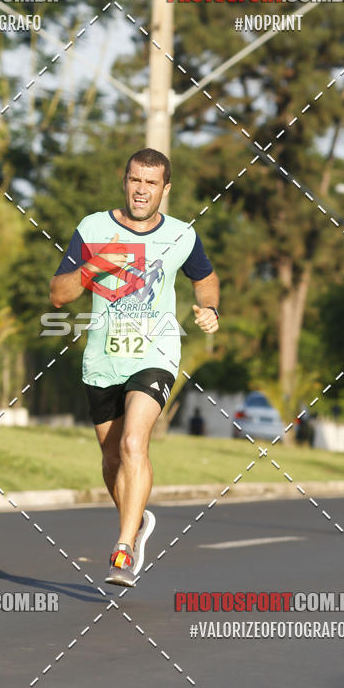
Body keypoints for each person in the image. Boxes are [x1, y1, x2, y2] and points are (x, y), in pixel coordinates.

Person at [49, 148, 219, 587]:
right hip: (103, 358)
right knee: (110, 460)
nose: (141, 190)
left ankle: (123, 549)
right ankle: (138, 520)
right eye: (134, 180)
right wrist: (95, 267)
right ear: (125, 181)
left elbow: (205, 278)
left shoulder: (182, 235)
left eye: (151, 183)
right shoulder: (93, 227)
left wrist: (209, 307)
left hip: (155, 352)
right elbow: (59, 296)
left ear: (165, 189)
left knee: (131, 444)